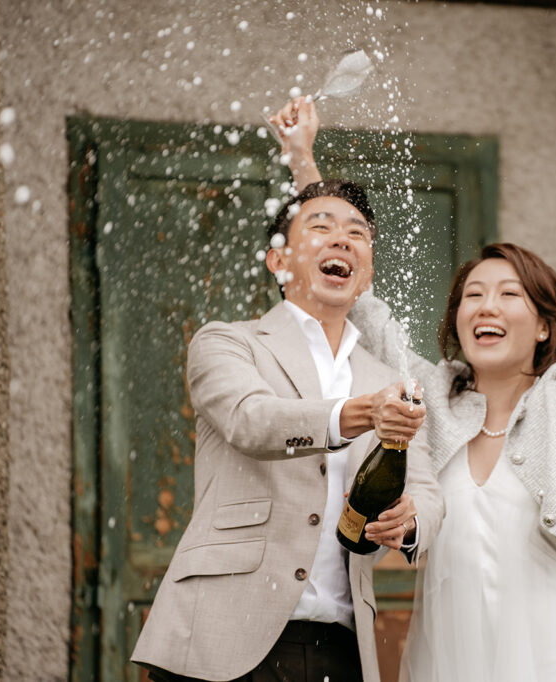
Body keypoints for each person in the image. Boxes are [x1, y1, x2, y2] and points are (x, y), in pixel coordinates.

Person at [272, 96, 556, 681]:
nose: (486, 306)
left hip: (554, 653)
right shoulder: (430, 397)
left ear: (547, 325)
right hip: (448, 654)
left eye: (509, 295)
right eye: (473, 295)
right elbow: (361, 303)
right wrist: (304, 162)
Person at [131, 175, 445, 682]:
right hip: (219, 634)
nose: (342, 239)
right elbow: (251, 420)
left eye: (357, 233)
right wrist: (360, 413)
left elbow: (427, 489)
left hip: (341, 647)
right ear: (278, 260)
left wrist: (412, 522)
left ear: (365, 277)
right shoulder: (229, 343)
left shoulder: (392, 381)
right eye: (320, 226)